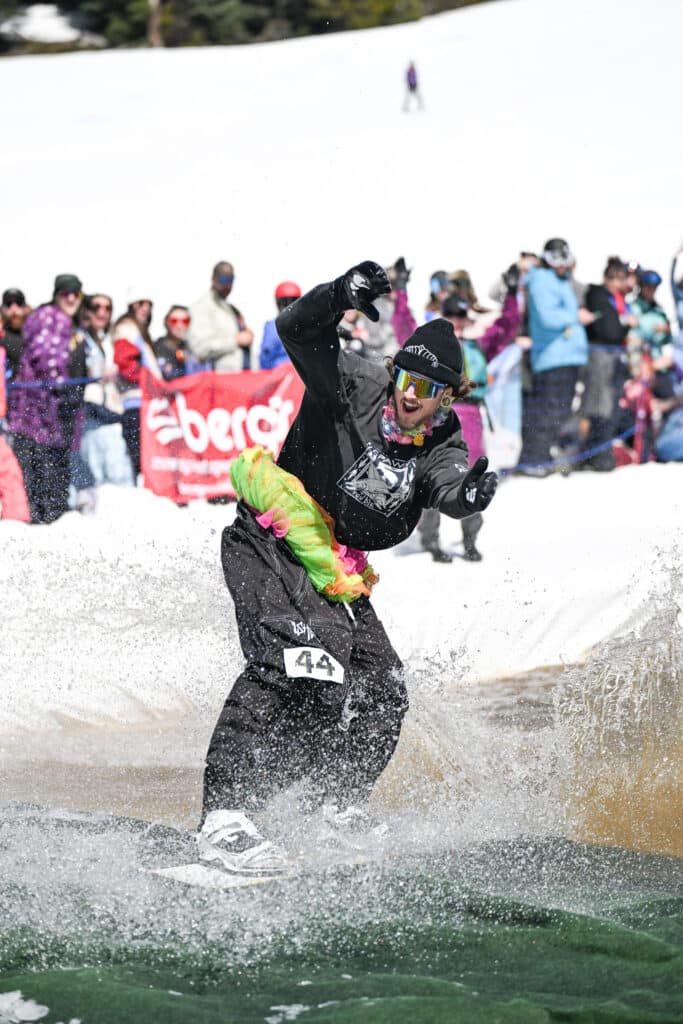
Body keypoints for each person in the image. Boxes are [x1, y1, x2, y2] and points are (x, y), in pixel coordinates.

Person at [197, 260, 498, 875]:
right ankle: (225, 816)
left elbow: (444, 482)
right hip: (271, 540)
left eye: (428, 386)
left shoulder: (442, 443)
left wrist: (464, 499)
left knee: (383, 687)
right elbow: (296, 330)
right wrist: (338, 296)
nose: (412, 393)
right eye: (408, 376)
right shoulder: (354, 383)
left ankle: (330, 804)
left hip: (336, 570)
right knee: (294, 659)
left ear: (448, 396)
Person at [418, 277, 522, 563]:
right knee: (434, 474)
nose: (457, 321)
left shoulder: (476, 346)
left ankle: (470, 539)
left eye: (462, 315)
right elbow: (404, 332)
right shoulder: (434, 345)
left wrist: (513, 293)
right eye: (452, 315)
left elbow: (506, 330)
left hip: (473, 416)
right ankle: (430, 539)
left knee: (471, 474)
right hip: (443, 413)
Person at [9, 273, 86, 523]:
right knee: (43, 479)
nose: (72, 299)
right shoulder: (50, 317)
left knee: (50, 477)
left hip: (51, 419)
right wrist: (64, 390)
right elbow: (46, 362)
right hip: (37, 416)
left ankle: (49, 517)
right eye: (67, 293)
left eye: (77, 294)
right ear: (57, 295)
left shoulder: (68, 322)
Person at [515, 238, 590, 475]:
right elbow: (548, 317)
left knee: (559, 411)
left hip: (567, 356)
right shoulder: (540, 279)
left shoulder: (560, 280)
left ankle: (541, 456)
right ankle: (532, 460)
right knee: (548, 410)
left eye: (564, 258)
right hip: (552, 357)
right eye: (556, 259)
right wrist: (576, 317)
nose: (561, 264)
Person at [580, 258, 634, 470]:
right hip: (600, 358)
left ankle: (600, 453)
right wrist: (624, 326)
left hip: (612, 358)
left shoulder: (615, 299)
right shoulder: (598, 295)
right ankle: (591, 454)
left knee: (609, 406)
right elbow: (610, 332)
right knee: (597, 406)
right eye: (618, 279)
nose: (621, 285)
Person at [77, 294, 133, 493]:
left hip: (111, 409)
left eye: (107, 308)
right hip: (89, 411)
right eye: (96, 307)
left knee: (119, 472)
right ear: (86, 310)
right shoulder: (79, 339)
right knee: (93, 475)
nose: (102, 312)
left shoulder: (108, 340)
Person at [112, 289, 161, 479]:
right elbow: (127, 366)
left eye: (149, 304)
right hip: (135, 403)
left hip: (144, 403)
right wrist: (150, 380)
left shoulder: (138, 330)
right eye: (141, 304)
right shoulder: (126, 328)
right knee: (138, 459)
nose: (145, 309)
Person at [187, 261, 254, 373]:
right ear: (213, 279)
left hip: (242, 378)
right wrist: (235, 340)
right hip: (218, 381)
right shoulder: (201, 307)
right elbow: (200, 348)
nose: (227, 285)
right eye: (223, 279)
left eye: (230, 280)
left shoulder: (232, 309)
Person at [258, 282, 302, 370]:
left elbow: (265, 358)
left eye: (292, 301)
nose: (289, 305)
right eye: (285, 302)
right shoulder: (307, 325)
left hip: (283, 376)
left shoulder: (273, 326)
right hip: (290, 376)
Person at [154, 305, 204, 379]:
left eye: (185, 321)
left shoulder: (190, 348)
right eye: (174, 321)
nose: (180, 325)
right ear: (166, 322)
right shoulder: (156, 348)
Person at [0, 287, 29, 388]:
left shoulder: (35, 336)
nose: (14, 309)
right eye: (9, 304)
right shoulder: (1, 337)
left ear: (26, 308)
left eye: (18, 303)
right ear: (2, 309)